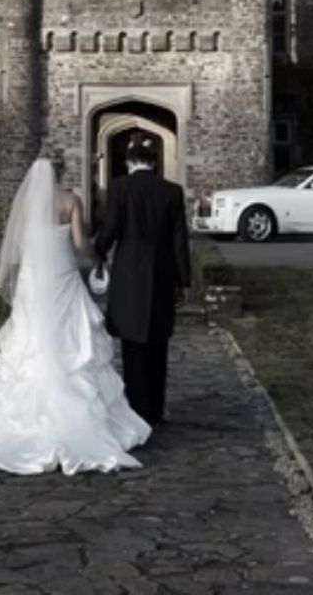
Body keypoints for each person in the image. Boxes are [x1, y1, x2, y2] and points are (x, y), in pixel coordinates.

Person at [0, 157, 150, 475]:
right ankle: (83, 422)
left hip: (34, 283)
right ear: (60, 174)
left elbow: (16, 249)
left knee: (30, 340)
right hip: (63, 279)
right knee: (72, 342)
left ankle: (24, 424)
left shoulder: (25, 207)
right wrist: (98, 258)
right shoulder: (70, 201)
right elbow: (79, 243)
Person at [94, 135, 192, 427]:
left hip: (129, 273)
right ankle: (156, 409)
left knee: (133, 344)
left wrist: (97, 252)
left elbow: (111, 227)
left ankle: (137, 409)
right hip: (162, 273)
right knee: (158, 345)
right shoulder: (172, 191)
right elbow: (179, 240)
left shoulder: (121, 187)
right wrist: (183, 281)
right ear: (153, 162)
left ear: (129, 162)